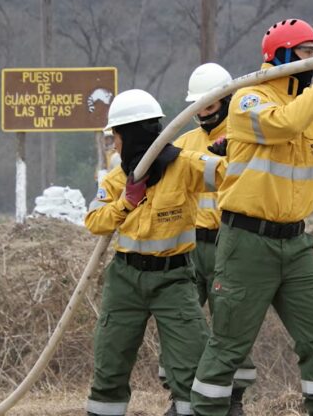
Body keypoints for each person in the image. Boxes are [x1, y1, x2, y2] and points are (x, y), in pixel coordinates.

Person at [190, 19, 313, 416]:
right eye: (304, 49)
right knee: (229, 343)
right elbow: (286, 123)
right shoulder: (249, 101)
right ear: (280, 56)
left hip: (296, 244)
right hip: (247, 243)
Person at [84, 89, 225, 416]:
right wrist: (126, 202)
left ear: (131, 134)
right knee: (110, 363)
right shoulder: (117, 179)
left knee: (191, 365)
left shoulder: (183, 166)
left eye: (116, 137)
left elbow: (226, 174)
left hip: (173, 280)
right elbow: (95, 221)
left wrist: (230, 152)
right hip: (125, 281)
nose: (114, 145)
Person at [158, 63, 255, 416]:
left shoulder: (246, 138)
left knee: (231, 323)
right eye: (197, 106)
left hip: (231, 244)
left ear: (227, 100)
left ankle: (233, 400)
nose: (202, 113)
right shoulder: (182, 144)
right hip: (188, 246)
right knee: (179, 322)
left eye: (209, 106)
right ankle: (180, 398)